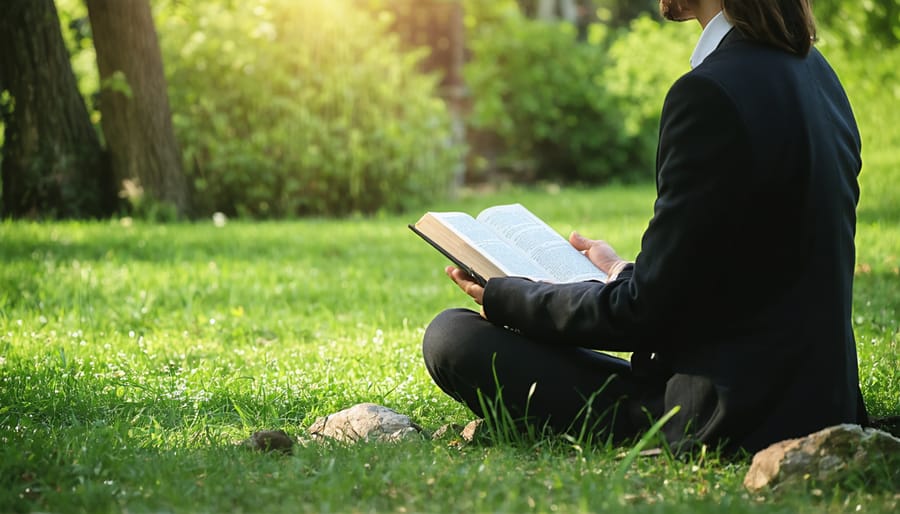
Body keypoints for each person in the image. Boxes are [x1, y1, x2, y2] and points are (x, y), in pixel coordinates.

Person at [421, 0, 869, 454]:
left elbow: (641, 316)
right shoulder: (818, 75)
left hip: (729, 418)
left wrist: (505, 294)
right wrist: (619, 270)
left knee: (453, 338)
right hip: (822, 401)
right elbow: (742, 273)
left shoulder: (710, 92)